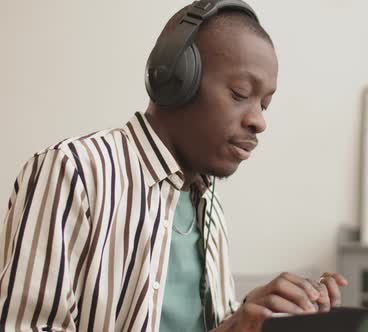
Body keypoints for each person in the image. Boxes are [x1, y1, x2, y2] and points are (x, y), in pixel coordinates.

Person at [0, 1, 347, 331]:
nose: (259, 121)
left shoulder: (209, 204)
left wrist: (257, 316)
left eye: (265, 104)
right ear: (176, 80)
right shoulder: (73, 172)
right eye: (241, 93)